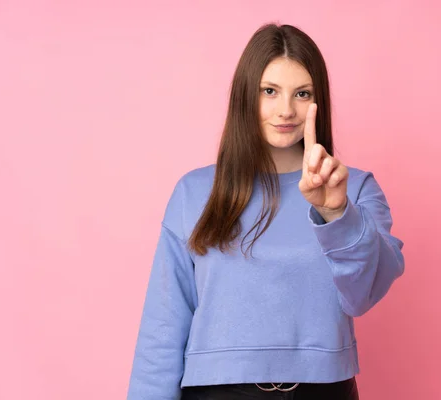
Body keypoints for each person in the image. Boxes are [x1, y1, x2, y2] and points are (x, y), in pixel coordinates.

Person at [127, 23, 405, 400]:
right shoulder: (194, 193)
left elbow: (362, 296)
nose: (286, 110)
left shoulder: (353, 189)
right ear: (246, 96)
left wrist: (337, 213)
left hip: (324, 392)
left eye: (302, 93)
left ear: (317, 101)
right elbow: (162, 332)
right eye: (269, 91)